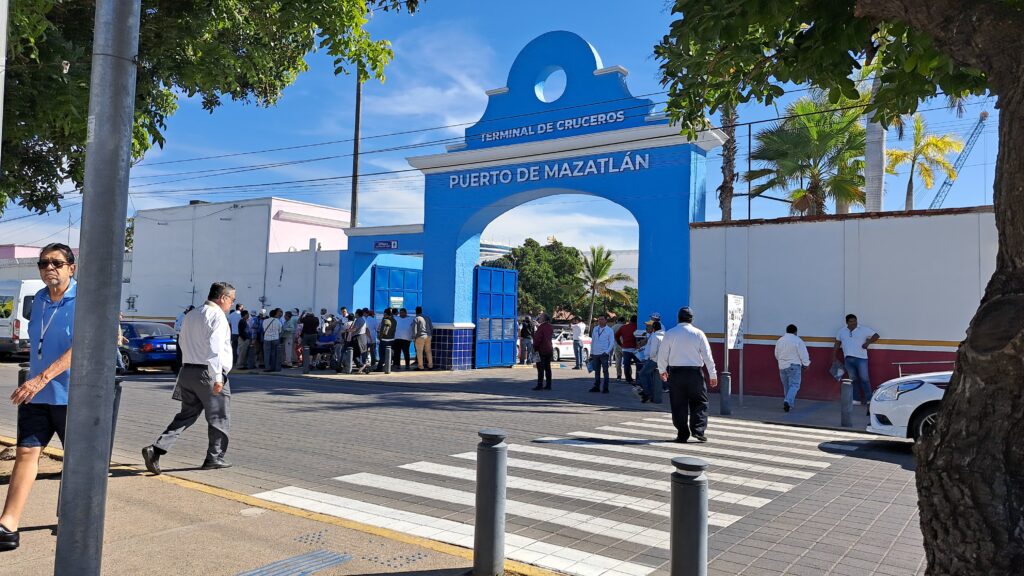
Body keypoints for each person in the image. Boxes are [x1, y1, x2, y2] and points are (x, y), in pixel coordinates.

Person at [0, 244, 78, 551]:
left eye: (57, 263)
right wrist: (36, 382)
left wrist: (41, 378)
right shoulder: (40, 300)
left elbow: (84, 346)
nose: (50, 268)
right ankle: (7, 525)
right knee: (26, 453)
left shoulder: (86, 300)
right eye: (44, 263)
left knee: (79, 463)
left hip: (75, 397)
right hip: (39, 395)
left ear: (72, 267)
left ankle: (74, 519)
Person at [142, 281, 236, 475]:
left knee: (186, 415)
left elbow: (182, 342)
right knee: (219, 417)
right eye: (232, 300)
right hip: (208, 373)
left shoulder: (192, 314)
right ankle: (214, 457)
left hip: (188, 371)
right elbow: (216, 349)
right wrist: (218, 377)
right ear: (223, 298)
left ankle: (157, 449)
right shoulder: (217, 317)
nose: (232, 304)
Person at [658, 306, 717, 443]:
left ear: (678, 318)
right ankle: (698, 430)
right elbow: (707, 356)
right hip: (694, 373)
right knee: (700, 402)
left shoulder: (670, 333)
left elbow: (663, 354)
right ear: (692, 319)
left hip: (676, 373)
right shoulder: (699, 333)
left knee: (678, 404)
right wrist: (712, 375)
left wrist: (662, 370)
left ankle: (682, 434)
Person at [834, 314, 880, 410]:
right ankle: (856, 399)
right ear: (846, 322)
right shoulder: (841, 331)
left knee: (865, 379)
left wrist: (867, 343)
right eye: (851, 321)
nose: (853, 323)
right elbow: (837, 343)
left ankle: (869, 400)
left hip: (861, 359)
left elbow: (876, 335)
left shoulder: (863, 329)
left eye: (855, 321)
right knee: (853, 380)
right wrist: (833, 356)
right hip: (848, 359)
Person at [775, 324, 811, 412]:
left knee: (786, 386)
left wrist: (781, 361)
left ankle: (789, 404)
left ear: (786, 331)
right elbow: (803, 354)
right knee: (794, 385)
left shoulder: (780, 340)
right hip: (794, 366)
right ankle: (787, 401)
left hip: (782, 366)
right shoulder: (798, 340)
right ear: (795, 331)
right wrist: (806, 364)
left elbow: (776, 354)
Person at [638, 315, 665, 404]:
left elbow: (653, 350)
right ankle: (651, 393)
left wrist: (650, 357)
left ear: (653, 328)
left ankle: (648, 392)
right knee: (649, 375)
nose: (647, 327)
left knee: (642, 374)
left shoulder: (655, 336)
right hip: (661, 360)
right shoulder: (663, 335)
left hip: (653, 359)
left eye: (649, 326)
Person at [589, 315, 615, 393]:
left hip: (604, 353)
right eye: (599, 319)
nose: (600, 321)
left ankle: (605, 388)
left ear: (606, 320)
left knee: (605, 371)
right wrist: (591, 352)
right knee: (597, 371)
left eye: (602, 319)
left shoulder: (609, 330)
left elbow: (612, 342)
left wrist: (607, 352)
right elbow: (593, 341)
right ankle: (596, 386)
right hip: (595, 353)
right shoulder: (595, 329)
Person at [616, 315, 641, 385]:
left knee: (626, 365)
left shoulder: (623, 327)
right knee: (638, 364)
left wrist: (620, 344)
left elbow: (616, 335)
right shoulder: (638, 327)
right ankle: (638, 379)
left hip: (625, 348)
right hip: (636, 349)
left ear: (630, 320)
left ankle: (628, 379)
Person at [532, 313, 554, 391]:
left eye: (540, 317)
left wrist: (535, 346)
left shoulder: (541, 327)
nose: (539, 318)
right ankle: (548, 384)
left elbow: (538, 338)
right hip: (549, 349)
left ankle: (540, 384)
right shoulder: (550, 326)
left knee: (540, 368)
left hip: (541, 349)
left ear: (544, 319)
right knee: (548, 367)